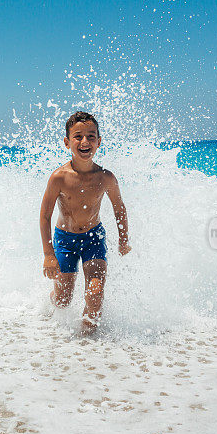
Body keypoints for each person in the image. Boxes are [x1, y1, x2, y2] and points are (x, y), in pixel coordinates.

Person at [39, 111, 131, 335]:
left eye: (91, 136)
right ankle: (48, 305)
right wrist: (49, 255)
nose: (85, 141)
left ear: (99, 142)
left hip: (93, 238)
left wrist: (123, 239)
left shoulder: (105, 177)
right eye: (78, 136)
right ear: (67, 142)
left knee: (95, 292)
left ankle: (87, 342)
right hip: (65, 240)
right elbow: (45, 216)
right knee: (63, 299)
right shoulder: (59, 177)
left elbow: (119, 208)